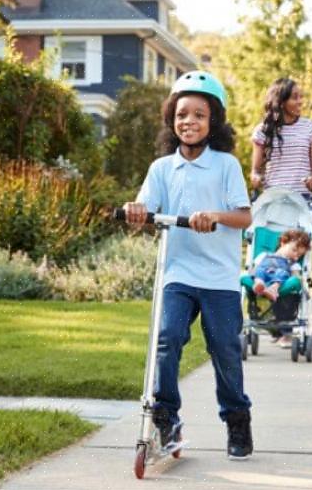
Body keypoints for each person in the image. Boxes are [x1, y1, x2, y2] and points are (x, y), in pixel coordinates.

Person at [123, 70, 254, 460]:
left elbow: (244, 217)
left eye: (199, 115)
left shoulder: (226, 165)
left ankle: (237, 420)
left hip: (219, 277)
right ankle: (166, 420)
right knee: (166, 338)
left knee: (225, 350)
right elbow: (147, 212)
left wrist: (214, 215)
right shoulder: (162, 169)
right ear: (171, 118)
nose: (189, 122)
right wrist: (136, 211)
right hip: (177, 273)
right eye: (182, 114)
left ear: (213, 122)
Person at [250, 78, 312, 225]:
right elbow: (255, 172)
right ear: (281, 102)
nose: (300, 101)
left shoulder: (310, 128)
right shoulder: (262, 131)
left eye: (301, 96)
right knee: (270, 247)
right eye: (295, 97)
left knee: (299, 248)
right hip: (272, 200)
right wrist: (256, 178)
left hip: (302, 199)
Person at [246, 228, 311, 302]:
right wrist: (254, 277)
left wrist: (303, 284)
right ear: (283, 243)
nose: (295, 256)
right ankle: (259, 284)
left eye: (299, 255)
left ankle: (273, 289)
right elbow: (254, 270)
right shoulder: (264, 255)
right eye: (294, 250)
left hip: (278, 281)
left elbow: (296, 278)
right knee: (260, 270)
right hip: (262, 276)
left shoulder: (293, 264)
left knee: (282, 273)